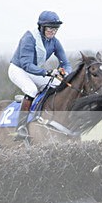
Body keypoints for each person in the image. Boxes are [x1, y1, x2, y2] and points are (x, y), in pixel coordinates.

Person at [8, 10, 72, 139]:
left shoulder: (54, 42)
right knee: (31, 90)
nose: (53, 31)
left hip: (35, 71)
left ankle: (45, 117)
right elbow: (26, 65)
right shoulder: (29, 38)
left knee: (57, 85)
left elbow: (66, 63)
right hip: (18, 70)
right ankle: (21, 127)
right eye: (50, 28)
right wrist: (47, 72)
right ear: (41, 27)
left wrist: (66, 73)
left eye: (55, 29)